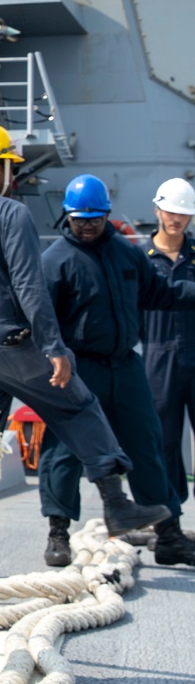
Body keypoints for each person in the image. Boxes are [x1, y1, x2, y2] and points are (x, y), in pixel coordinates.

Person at [0, 127, 170, 576]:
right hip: (9, 343)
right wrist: (54, 347)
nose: (13, 177)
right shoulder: (9, 213)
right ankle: (118, 505)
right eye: (10, 168)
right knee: (78, 407)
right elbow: (29, 288)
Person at [39, 174, 195, 569]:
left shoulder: (127, 254)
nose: (88, 225)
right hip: (77, 369)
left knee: (148, 445)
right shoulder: (55, 261)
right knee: (64, 452)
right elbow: (42, 321)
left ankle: (170, 535)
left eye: (95, 218)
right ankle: (58, 533)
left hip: (126, 367)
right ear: (67, 217)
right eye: (79, 219)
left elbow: (159, 293)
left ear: (106, 214)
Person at [142, 178, 195, 509]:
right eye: (171, 211)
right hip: (157, 358)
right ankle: (170, 516)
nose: (176, 219)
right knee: (164, 440)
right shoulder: (139, 258)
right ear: (158, 209)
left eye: (184, 214)